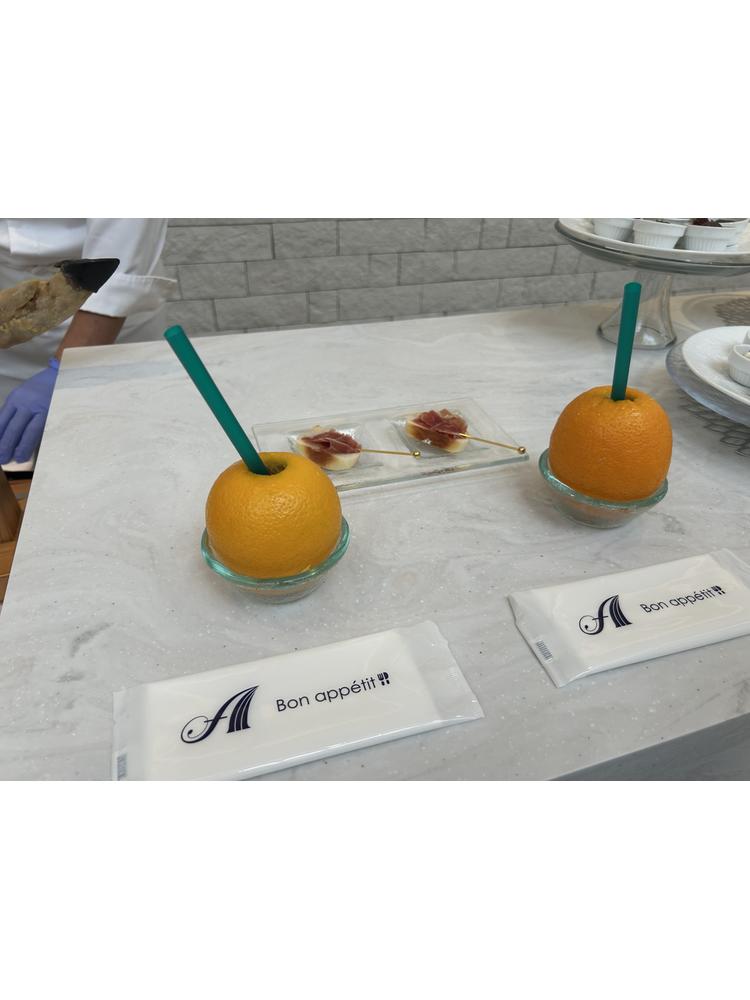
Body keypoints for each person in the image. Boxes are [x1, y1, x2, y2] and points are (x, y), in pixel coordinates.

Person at [0, 219, 174, 467]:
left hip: (107, 325)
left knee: (123, 454)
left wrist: (62, 369)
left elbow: (119, 257)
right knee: (22, 463)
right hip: (9, 331)